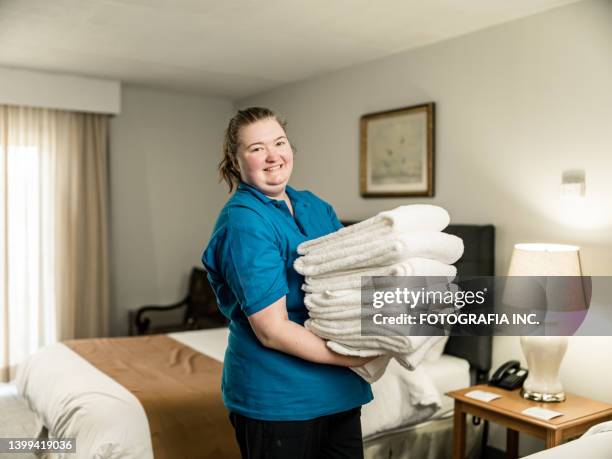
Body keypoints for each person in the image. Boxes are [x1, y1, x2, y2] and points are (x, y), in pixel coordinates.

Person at [202, 107, 374, 459]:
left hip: (340, 394)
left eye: (279, 142)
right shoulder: (244, 222)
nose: (272, 156)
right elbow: (272, 330)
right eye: (256, 149)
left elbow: (351, 279)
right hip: (279, 401)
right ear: (236, 161)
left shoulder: (314, 206)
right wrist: (354, 358)